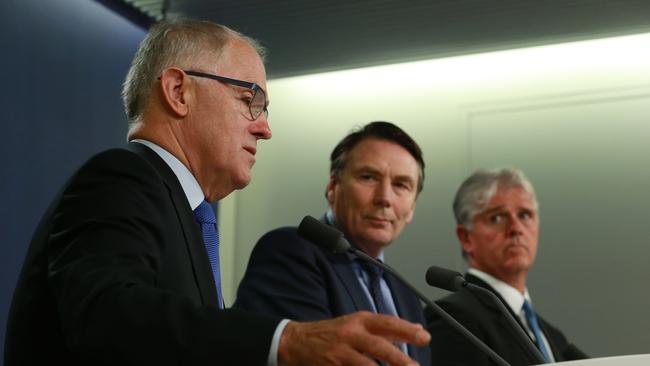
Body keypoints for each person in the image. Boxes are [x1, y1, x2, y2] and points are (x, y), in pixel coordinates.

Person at [4, 20, 430, 366]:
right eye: (251, 99)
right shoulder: (122, 177)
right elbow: (108, 316)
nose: (264, 128)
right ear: (178, 91)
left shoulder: (190, 215)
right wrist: (286, 339)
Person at [235, 121, 431, 364]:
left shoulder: (406, 294)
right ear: (332, 188)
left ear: (411, 208)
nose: (385, 198)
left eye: (401, 185)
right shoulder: (290, 252)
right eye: (368, 177)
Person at [427, 168, 587, 365]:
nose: (516, 228)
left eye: (525, 215)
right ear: (466, 237)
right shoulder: (454, 318)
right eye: (496, 218)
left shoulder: (553, 337)